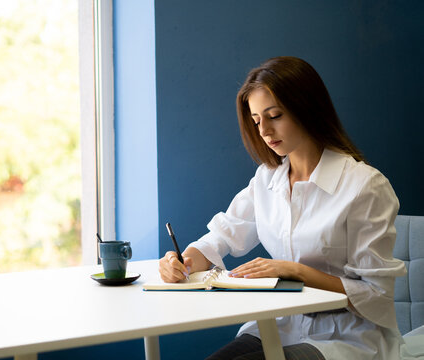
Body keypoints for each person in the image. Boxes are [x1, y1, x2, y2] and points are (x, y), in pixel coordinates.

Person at [158, 56, 407, 360]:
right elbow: (222, 236)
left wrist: (296, 272)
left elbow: (377, 295)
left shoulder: (364, 186)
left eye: (274, 115)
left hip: (346, 338)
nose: (264, 131)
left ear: (307, 107)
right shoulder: (267, 179)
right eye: (257, 121)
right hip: (279, 326)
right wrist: (182, 262)